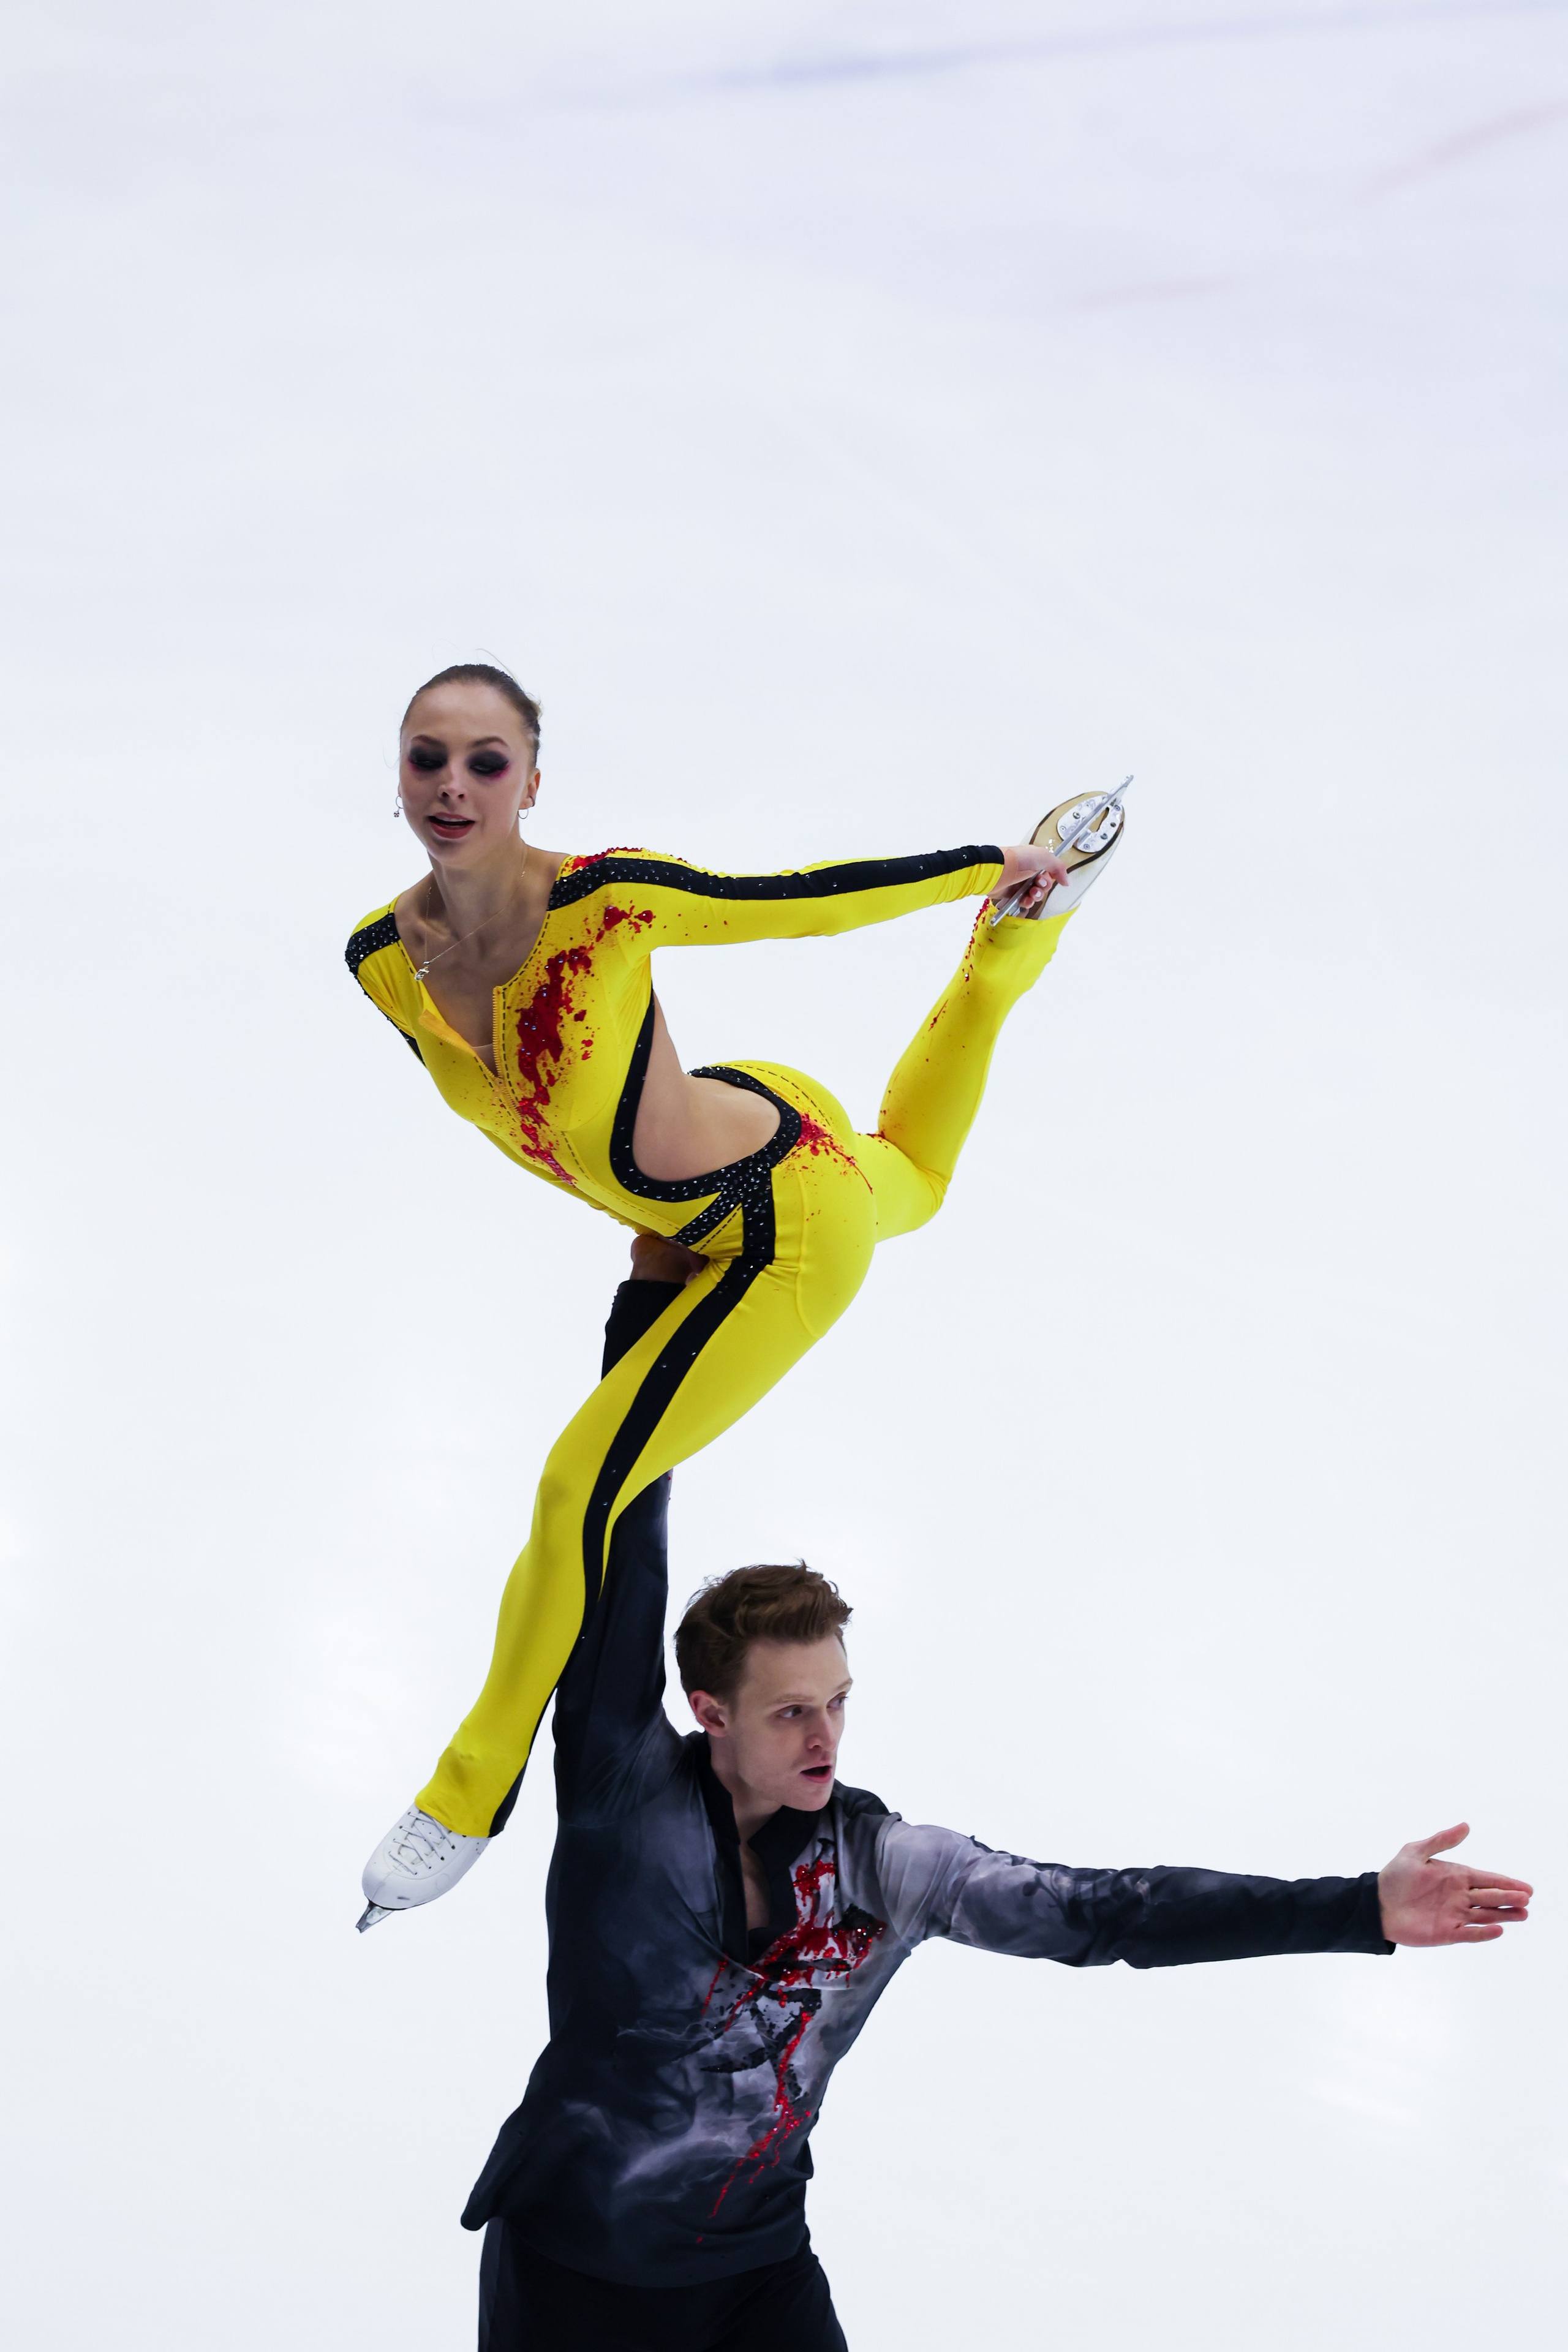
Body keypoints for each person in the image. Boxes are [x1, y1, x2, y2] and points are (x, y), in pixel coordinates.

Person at [464, 1268, 1532, 2351]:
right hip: (565, 2275)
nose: (827, 1736)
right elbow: (617, 1528)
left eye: (838, 1701)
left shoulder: (884, 1867)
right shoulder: (621, 1791)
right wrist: (654, 1300)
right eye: (790, 1713)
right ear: (710, 1713)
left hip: (755, 2276)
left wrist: (1359, 1907)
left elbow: (1108, 1912)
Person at [347, 662, 1129, 1919]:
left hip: (784, 1225)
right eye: (426, 757)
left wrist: (989, 862)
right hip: (720, 1166)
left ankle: (465, 1793)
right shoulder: (383, 961)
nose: (453, 786)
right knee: (914, 1180)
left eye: (487, 762)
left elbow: (798, 902)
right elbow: (531, 1122)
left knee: (579, 1485)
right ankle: (1014, 951)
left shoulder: (604, 902)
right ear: (396, 774)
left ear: (531, 782)